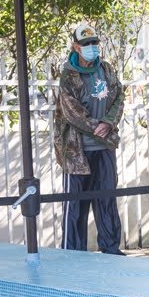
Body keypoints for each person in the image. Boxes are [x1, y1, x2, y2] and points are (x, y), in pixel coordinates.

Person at [54, 22, 125, 254]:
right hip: (77, 153)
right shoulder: (68, 75)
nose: (92, 47)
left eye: (94, 43)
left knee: (106, 199)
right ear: (76, 46)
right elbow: (72, 112)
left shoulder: (106, 69)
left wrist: (109, 122)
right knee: (75, 206)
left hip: (103, 148)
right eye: (86, 44)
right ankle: (73, 253)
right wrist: (97, 126)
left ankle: (111, 248)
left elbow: (119, 96)